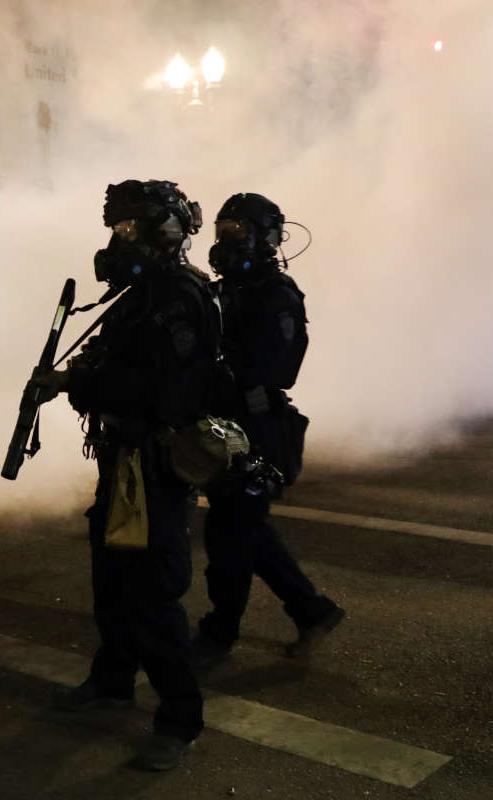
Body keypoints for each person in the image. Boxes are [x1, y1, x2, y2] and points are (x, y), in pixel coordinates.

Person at [31, 180, 218, 771]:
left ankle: (179, 719)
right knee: (112, 577)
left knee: (152, 594)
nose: (117, 239)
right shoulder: (142, 293)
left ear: (164, 230)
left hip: (155, 463)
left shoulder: (178, 295)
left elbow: (160, 386)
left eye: (129, 228)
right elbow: (127, 362)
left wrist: (74, 382)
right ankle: (113, 679)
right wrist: (91, 366)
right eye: (116, 227)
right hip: (123, 458)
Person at [190, 192, 344, 669]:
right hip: (229, 426)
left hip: (257, 428)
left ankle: (221, 632)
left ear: (268, 239)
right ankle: (312, 611)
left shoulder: (276, 295)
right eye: (223, 231)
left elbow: (276, 369)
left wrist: (219, 368)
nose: (225, 242)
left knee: (230, 534)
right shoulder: (227, 292)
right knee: (247, 529)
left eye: (238, 232)